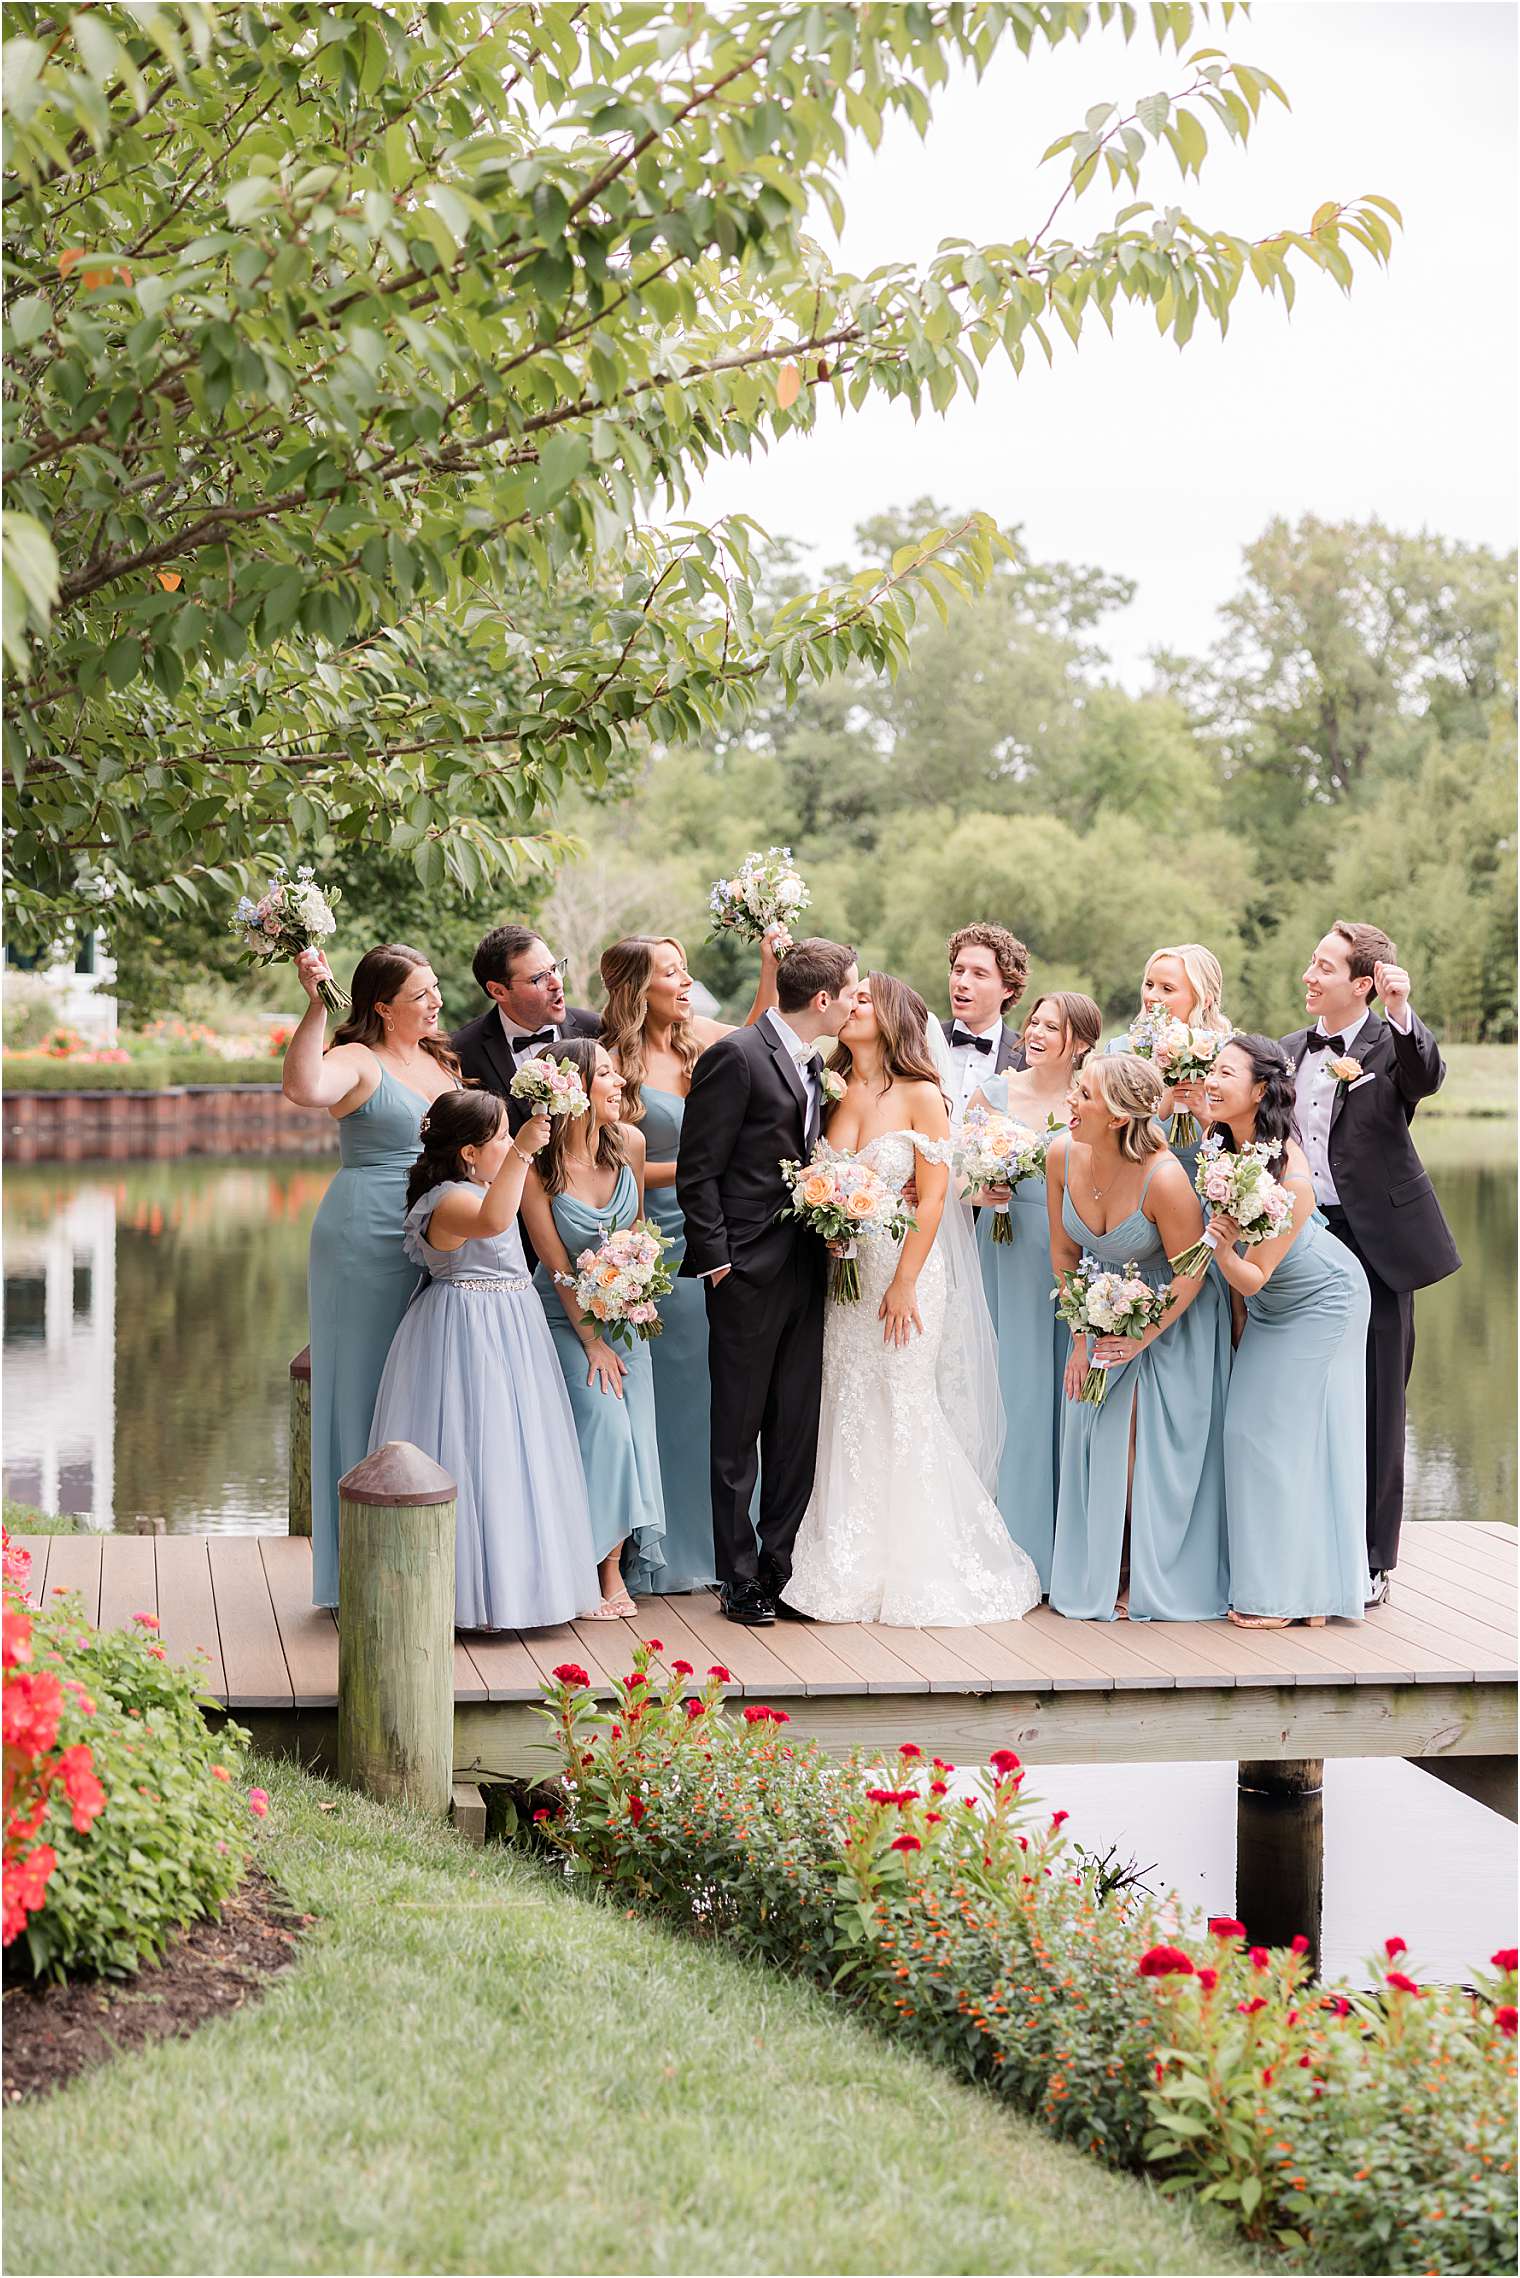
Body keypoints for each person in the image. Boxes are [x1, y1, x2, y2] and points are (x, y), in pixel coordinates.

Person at [783, 975, 1040, 1627]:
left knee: (901, 1400)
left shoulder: (923, 1095)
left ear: (893, 1016)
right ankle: (845, 1558)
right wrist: (831, 1229)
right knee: (844, 1399)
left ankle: (917, 1561)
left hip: (906, 1276)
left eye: (863, 999)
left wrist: (902, 1280)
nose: (848, 1006)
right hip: (844, 1276)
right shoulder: (831, 1088)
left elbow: (932, 1197)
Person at [368, 1090, 602, 1629]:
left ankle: (520, 1592)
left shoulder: (475, 1184)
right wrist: (521, 1152)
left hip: (512, 1328)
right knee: (476, 1449)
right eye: (498, 1137)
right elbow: (497, 1221)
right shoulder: (448, 1198)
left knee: (516, 1454)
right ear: (470, 1152)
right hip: (467, 1331)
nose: (508, 1144)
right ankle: (465, 1596)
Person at [675, 938, 857, 1625]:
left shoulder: (818, 1064)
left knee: (794, 1428)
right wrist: (719, 1260)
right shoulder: (737, 1055)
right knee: (738, 1430)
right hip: (746, 1271)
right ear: (822, 999)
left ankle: (781, 1566)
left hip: (809, 1267)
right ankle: (738, 1577)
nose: (854, 1001)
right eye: (851, 991)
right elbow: (700, 1169)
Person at [598, 932, 781, 1593]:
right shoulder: (612, 1062)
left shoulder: (700, 1036)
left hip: (723, 1236)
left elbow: (763, 1038)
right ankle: (669, 1554)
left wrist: (768, 966)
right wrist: (703, 1169)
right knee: (674, 1398)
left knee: (725, 1397)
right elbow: (609, 1170)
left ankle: (731, 1545)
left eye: (685, 970)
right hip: (654, 1248)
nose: (684, 982)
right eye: (669, 973)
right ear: (635, 990)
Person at [1284, 923, 1460, 1599]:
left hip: (1378, 1245)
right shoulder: (1290, 1050)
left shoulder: (1393, 1043)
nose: (1309, 975)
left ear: (1362, 982)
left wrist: (1400, 1009)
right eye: (1310, 963)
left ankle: (1373, 1561)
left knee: (1380, 1398)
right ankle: (1303, 1540)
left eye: (1323, 967)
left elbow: (1427, 1076)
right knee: (1300, 1391)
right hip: (1300, 1241)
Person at [282, 943, 460, 1608]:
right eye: (420, 994)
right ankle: (352, 1578)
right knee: (359, 1389)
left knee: (422, 1386)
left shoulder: (443, 1060)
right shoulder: (356, 1059)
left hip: (438, 1234)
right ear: (382, 1007)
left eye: (434, 987)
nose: (434, 1001)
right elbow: (304, 1088)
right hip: (365, 1234)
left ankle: (417, 1564)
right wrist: (312, 1005)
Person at [1047, 1052, 1230, 1623]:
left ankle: (1136, 1570)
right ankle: (1101, 1566)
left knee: (1132, 1444)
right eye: (1075, 1090)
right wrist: (1080, 1337)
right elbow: (1063, 1256)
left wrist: (1140, 1338)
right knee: (1092, 1435)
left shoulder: (1165, 1177)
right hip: (1096, 1308)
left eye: (1084, 1095)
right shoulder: (1059, 1154)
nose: (1071, 1102)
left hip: (1169, 1318)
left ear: (1120, 1116)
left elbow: (1192, 1272)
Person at [1201, 1035, 1372, 1626]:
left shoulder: (1290, 1174)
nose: (1212, 1081)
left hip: (1323, 1299)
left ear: (1260, 1090)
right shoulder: (1220, 1145)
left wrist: (1217, 1249)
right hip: (1274, 1305)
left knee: (1275, 1439)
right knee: (1251, 1435)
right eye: (1211, 1070)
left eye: (1226, 1073)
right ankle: (1309, 1591)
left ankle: (1289, 1600)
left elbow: (1251, 1274)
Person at [521, 1039, 665, 1617]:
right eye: (605, 1073)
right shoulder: (539, 1167)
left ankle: (615, 1566)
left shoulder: (629, 1143)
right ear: (575, 1089)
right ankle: (592, 1571)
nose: (619, 1082)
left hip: (624, 1314)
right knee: (604, 1424)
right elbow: (554, 1263)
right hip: (563, 1318)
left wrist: (634, 1293)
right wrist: (591, 1340)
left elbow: (636, 1235)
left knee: (633, 1433)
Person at [969, 991, 1103, 1591]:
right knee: (1013, 1391)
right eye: (1036, 1023)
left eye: (1054, 1027)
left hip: (1076, 1249)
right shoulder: (995, 1093)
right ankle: (1012, 1548)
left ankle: (1069, 1551)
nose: (1038, 1034)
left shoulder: (1091, 1098)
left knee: (1069, 1395)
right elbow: (950, 1174)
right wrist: (981, 1191)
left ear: (1080, 1042)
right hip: (1007, 1247)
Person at [451, 925, 601, 1127]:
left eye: (555, 969)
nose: (557, 983)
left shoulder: (596, 1030)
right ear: (499, 991)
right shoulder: (461, 1052)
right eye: (539, 978)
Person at [1118, 943, 1232, 1180]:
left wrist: (1205, 1113)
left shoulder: (1227, 1061)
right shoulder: (1121, 1051)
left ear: (1205, 999)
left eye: (1167, 989)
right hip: (1129, 1189)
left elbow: (1239, 1150)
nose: (1151, 996)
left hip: (1200, 1193)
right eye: (1149, 985)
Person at [935, 922, 1030, 1131]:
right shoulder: (919, 1043)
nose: (962, 982)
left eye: (979, 974)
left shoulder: (1027, 1059)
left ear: (1008, 989)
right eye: (958, 970)